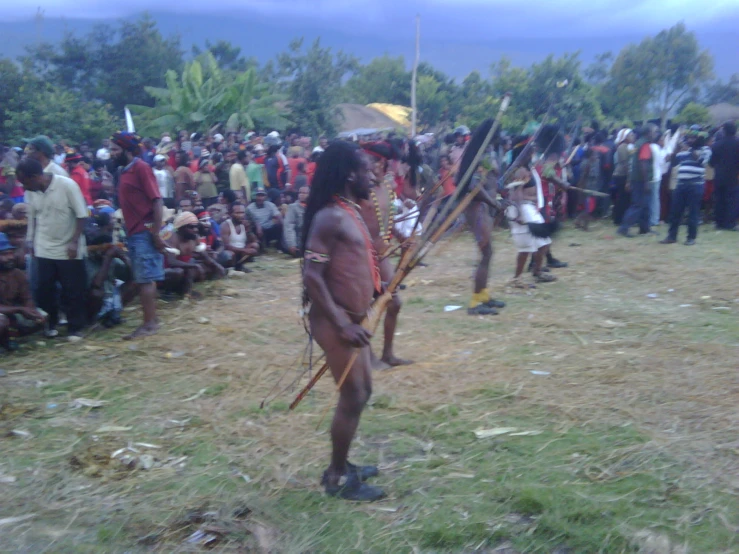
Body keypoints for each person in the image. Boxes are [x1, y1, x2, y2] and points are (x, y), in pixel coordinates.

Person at [301, 141, 384, 501]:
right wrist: (342, 324)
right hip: (335, 324)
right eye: (367, 169)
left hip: (353, 321)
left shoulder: (352, 211)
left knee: (363, 392)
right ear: (350, 174)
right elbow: (312, 276)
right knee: (352, 396)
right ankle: (336, 476)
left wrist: (377, 291)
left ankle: (343, 462)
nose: (373, 175)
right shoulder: (330, 217)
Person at [17, 158, 88, 340]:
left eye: (25, 182)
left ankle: (75, 328)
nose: (23, 187)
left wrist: (74, 242)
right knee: (44, 289)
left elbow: (81, 215)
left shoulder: (67, 185)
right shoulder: (31, 192)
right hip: (43, 247)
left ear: (35, 177)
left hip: (68, 247)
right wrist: (30, 242)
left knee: (73, 289)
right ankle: (51, 324)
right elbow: (33, 218)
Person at [360, 142, 413, 365]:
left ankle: (388, 354)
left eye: (367, 160)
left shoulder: (386, 188)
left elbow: (385, 223)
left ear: (379, 163)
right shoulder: (360, 189)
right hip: (361, 255)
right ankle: (367, 357)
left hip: (382, 256)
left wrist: (402, 237)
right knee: (363, 308)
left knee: (394, 303)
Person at [110, 131, 166, 340]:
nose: (111, 153)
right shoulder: (124, 171)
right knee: (143, 278)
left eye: (115, 149)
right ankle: (151, 321)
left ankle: (150, 324)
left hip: (144, 230)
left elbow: (157, 201)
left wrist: (156, 232)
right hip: (134, 231)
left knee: (145, 280)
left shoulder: (141, 168)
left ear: (126, 150)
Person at [504, 170, 555, 288]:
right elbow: (513, 198)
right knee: (524, 249)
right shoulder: (518, 172)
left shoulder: (530, 169)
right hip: (521, 211)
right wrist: (518, 214)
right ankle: (516, 279)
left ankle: (537, 271)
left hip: (530, 210)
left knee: (543, 242)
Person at [161, 211, 225, 298]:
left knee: (202, 266)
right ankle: (167, 292)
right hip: (165, 273)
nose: (195, 230)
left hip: (184, 270)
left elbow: (204, 256)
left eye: (196, 227)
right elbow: (171, 262)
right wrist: (193, 266)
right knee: (179, 271)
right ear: (181, 228)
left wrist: (217, 266)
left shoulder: (194, 237)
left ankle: (186, 292)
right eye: (191, 227)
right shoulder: (173, 238)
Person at [0, 232, 46, 351]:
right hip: (5, 315)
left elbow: (27, 298)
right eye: (4, 254)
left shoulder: (17, 274)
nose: (10, 257)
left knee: (41, 317)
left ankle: (9, 338)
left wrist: (30, 311)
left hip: (11, 313)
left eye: (11, 253)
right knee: (1, 321)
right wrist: (20, 310)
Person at [660, 137, 710, 246]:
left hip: (695, 185)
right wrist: (674, 152)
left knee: (693, 213)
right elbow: (672, 162)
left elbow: (701, 161)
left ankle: (691, 238)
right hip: (681, 185)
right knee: (675, 212)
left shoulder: (706, 150)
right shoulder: (684, 151)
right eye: (689, 138)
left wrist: (690, 150)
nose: (690, 140)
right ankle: (671, 236)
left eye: (693, 138)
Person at [618, 125, 657, 238]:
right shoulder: (644, 145)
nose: (655, 134)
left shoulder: (638, 143)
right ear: (648, 133)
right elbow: (643, 163)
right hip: (641, 180)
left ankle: (645, 228)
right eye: (654, 132)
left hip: (636, 178)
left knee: (645, 205)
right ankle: (624, 228)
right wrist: (646, 182)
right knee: (638, 205)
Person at [710, 121, 739, 230]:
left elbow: (711, 162)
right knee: (732, 201)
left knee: (719, 200)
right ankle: (730, 223)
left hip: (719, 176)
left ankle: (719, 223)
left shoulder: (716, 145)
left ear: (724, 131)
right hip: (734, 176)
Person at [221, 202, 259, 270]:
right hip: (231, 252)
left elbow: (255, 240)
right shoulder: (226, 225)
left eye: (242, 212)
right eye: (237, 213)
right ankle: (232, 267)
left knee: (255, 245)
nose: (241, 215)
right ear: (231, 214)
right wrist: (245, 250)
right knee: (229, 254)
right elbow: (226, 246)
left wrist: (248, 230)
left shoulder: (244, 224)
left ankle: (239, 265)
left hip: (241, 252)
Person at [612, 129, 635, 224]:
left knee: (624, 198)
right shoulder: (623, 147)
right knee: (623, 198)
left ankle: (621, 218)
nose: (633, 137)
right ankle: (619, 219)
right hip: (623, 175)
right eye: (631, 135)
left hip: (623, 174)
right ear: (625, 137)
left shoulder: (629, 146)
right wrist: (628, 180)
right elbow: (626, 164)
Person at [283, 186, 308, 257]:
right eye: (300, 192)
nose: (302, 194)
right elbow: (289, 227)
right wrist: (292, 244)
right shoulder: (292, 207)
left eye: (305, 193)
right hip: (297, 241)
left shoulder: (313, 207)